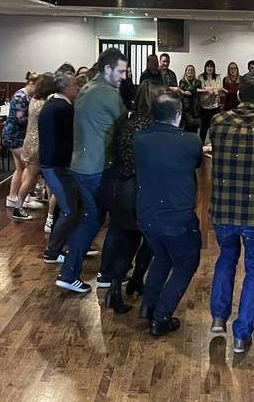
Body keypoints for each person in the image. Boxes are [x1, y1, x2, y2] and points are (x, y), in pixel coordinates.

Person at [207, 72, 254, 354]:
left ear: (238, 94)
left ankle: (218, 316)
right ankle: (242, 334)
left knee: (226, 258)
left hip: (224, 208)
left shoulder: (217, 121)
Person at [57, 48, 128, 293]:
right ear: (107, 69)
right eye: (120, 71)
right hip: (97, 168)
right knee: (118, 221)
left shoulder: (86, 88)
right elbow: (126, 128)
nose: (123, 76)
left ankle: (69, 272)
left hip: (80, 165)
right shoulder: (107, 94)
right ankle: (107, 274)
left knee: (92, 219)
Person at [135, 94, 204, 336]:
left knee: (161, 258)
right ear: (178, 115)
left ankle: (148, 306)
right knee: (186, 264)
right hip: (177, 217)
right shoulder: (191, 141)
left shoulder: (139, 139)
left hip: (146, 215)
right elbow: (195, 165)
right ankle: (161, 317)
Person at [99, 81, 165, 312]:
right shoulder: (155, 128)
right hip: (144, 189)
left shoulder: (125, 123)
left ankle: (115, 288)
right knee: (151, 240)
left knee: (126, 241)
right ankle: (137, 279)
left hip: (121, 188)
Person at [39, 73, 82, 263]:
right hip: (57, 165)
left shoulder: (51, 104)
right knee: (70, 210)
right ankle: (52, 252)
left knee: (68, 208)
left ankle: (65, 245)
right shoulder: (63, 108)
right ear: (64, 87)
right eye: (74, 84)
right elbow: (71, 138)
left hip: (50, 163)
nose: (78, 88)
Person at [12, 73, 54, 221]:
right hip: (39, 144)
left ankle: (18, 206)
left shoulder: (34, 100)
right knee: (47, 179)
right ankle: (51, 214)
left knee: (31, 177)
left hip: (29, 141)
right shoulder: (45, 104)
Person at [2, 72, 43, 212]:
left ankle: (12, 197)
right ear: (31, 83)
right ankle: (23, 198)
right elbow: (20, 118)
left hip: (19, 136)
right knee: (29, 166)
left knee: (20, 168)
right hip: (14, 136)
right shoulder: (20, 96)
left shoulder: (27, 96)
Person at [198, 60, 222, 143]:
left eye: (211, 66)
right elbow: (201, 89)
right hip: (204, 107)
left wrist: (207, 90)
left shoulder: (218, 77)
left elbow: (219, 89)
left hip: (215, 107)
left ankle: (213, 146)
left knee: (215, 129)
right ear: (205, 67)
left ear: (214, 68)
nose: (209, 68)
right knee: (203, 129)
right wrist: (213, 90)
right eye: (208, 66)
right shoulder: (201, 77)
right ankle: (201, 146)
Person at [177, 64, 202, 133]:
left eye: (192, 70)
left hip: (195, 110)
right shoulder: (182, 82)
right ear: (185, 72)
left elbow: (190, 91)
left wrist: (182, 91)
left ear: (194, 72)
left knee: (194, 132)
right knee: (185, 132)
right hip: (185, 111)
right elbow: (189, 91)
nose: (190, 71)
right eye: (188, 70)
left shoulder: (198, 82)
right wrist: (184, 91)